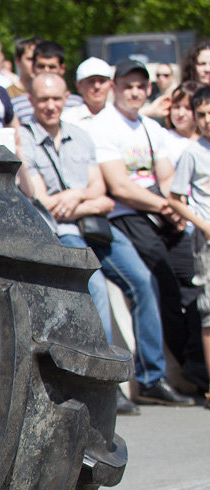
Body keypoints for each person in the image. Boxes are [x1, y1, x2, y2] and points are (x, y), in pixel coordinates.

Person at [19, 72, 171, 415]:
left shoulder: (81, 136)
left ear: (66, 98)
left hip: (96, 224)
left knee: (143, 281)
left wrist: (76, 196)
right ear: (32, 101)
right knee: (97, 288)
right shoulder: (25, 139)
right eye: (43, 99)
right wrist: (82, 197)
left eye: (56, 98)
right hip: (60, 229)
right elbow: (43, 201)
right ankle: (106, 384)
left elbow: (102, 196)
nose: (50, 106)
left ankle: (152, 378)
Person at [88, 59, 204, 402]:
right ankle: (157, 376)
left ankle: (195, 368)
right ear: (115, 87)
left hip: (160, 213)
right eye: (128, 85)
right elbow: (120, 187)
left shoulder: (152, 128)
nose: (135, 92)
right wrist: (165, 207)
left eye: (141, 86)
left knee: (191, 277)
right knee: (157, 278)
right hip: (125, 216)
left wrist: (175, 210)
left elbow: (167, 177)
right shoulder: (104, 126)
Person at [168, 85, 210, 407]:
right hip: (206, 242)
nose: (207, 120)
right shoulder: (192, 153)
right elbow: (176, 200)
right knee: (209, 314)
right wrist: (203, 225)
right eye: (202, 115)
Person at [64, 57, 115, 130]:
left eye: (102, 81)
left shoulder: (121, 117)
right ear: (79, 86)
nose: (97, 86)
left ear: (111, 84)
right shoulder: (67, 119)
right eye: (91, 81)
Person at [164, 82, 199, 160]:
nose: (181, 114)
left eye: (188, 108)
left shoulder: (205, 142)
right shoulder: (162, 137)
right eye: (176, 107)